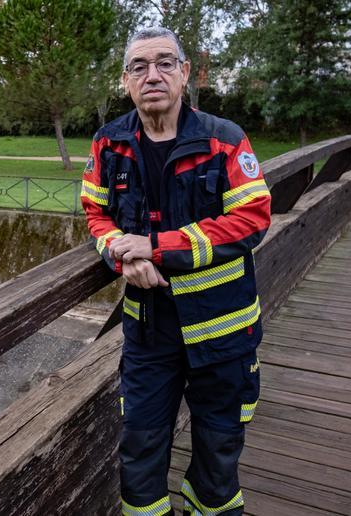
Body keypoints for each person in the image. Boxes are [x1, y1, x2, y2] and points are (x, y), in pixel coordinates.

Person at [81, 27, 271, 516]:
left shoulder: (224, 140)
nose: (153, 75)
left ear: (186, 74)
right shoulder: (108, 144)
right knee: (140, 454)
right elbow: (95, 215)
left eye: (166, 63)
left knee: (218, 456)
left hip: (223, 330)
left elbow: (251, 219)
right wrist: (123, 255)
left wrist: (158, 248)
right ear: (125, 81)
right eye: (140, 66)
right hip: (149, 332)